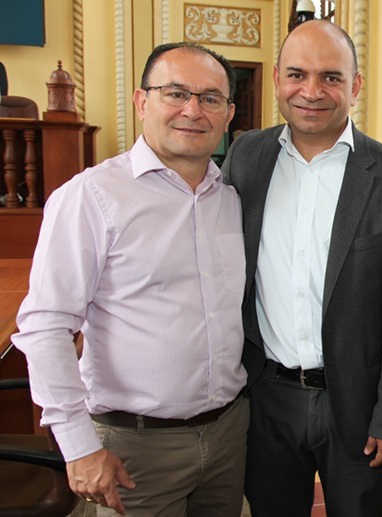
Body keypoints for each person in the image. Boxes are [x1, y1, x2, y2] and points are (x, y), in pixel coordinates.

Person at [14, 42, 248, 516]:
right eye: (176, 93)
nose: (192, 110)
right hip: (135, 446)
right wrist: (78, 445)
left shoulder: (231, 198)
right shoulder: (93, 196)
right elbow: (45, 327)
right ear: (142, 102)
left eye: (210, 98)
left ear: (228, 115)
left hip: (229, 434)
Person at [221, 20, 382, 517]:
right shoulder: (245, 158)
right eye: (297, 74)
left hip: (355, 405)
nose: (311, 91)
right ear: (275, 79)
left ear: (354, 86)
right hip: (264, 394)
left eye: (331, 77)